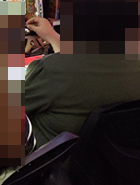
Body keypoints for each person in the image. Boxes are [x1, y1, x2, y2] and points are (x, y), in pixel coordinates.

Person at [25, 16, 140, 147]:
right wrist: (52, 37)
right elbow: (81, 64)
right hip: (111, 158)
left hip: (47, 157)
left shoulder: (48, 71)